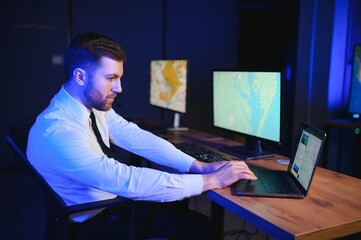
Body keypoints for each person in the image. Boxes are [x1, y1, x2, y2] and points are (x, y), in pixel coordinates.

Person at [27, 32, 257, 239]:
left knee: (181, 209)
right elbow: (123, 179)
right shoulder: (57, 132)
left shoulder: (89, 106)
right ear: (80, 76)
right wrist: (211, 180)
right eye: (110, 78)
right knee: (200, 228)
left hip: (108, 203)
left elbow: (132, 134)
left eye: (119, 78)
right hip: (93, 224)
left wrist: (197, 166)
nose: (119, 88)